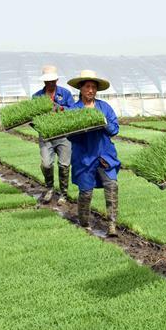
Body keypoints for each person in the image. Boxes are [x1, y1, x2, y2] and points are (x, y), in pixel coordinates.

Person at [66, 70, 120, 236]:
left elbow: (114, 129)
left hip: (105, 156)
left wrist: (103, 122)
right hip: (84, 157)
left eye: (94, 87)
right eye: (87, 86)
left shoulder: (104, 108)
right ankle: (84, 223)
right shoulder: (74, 110)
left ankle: (112, 225)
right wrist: (81, 127)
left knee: (111, 186)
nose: (91, 90)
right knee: (86, 192)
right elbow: (68, 134)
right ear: (80, 89)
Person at [33, 65, 75, 205]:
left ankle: (63, 193)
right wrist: (40, 127)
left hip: (64, 135)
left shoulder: (65, 93)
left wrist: (61, 108)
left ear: (56, 80)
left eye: (52, 80)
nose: (50, 83)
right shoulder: (37, 97)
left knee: (64, 165)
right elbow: (31, 118)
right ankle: (49, 187)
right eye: (47, 81)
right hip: (46, 136)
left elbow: (74, 111)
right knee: (46, 164)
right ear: (44, 81)